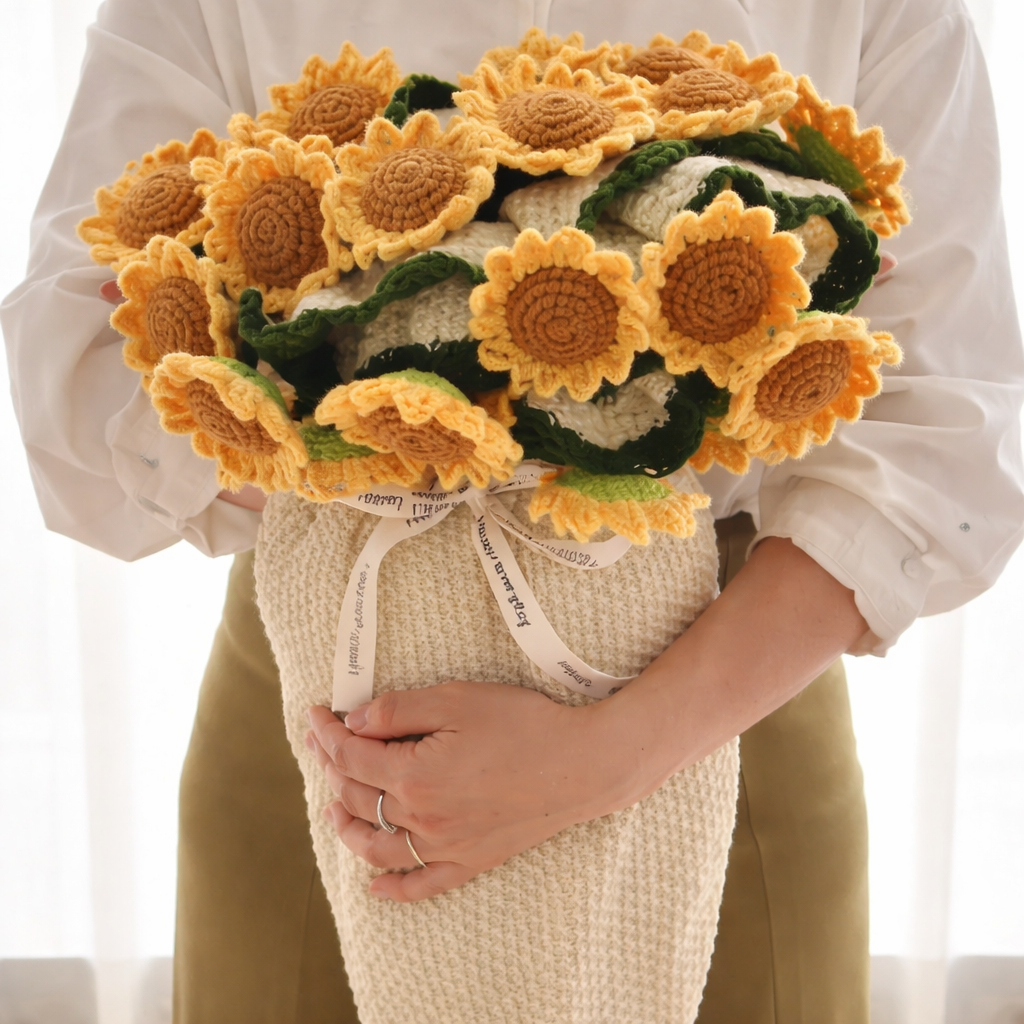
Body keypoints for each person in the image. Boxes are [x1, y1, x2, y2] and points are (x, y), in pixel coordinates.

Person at [3, 0, 1022, 1021]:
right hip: (328, 726)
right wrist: (381, 431)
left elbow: (942, 412)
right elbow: (78, 344)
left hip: (733, 694)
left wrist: (617, 753)